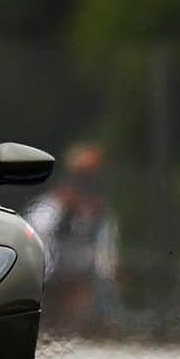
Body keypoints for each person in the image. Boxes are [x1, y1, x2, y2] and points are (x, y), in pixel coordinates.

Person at [26, 143, 120, 336]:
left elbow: (105, 252)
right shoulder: (51, 206)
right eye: (83, 178)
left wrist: (106, 273)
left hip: (84, 272)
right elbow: (38, 238)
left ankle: (106, 326)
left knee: (102, 288)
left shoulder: (101, 213)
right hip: (52, 271)